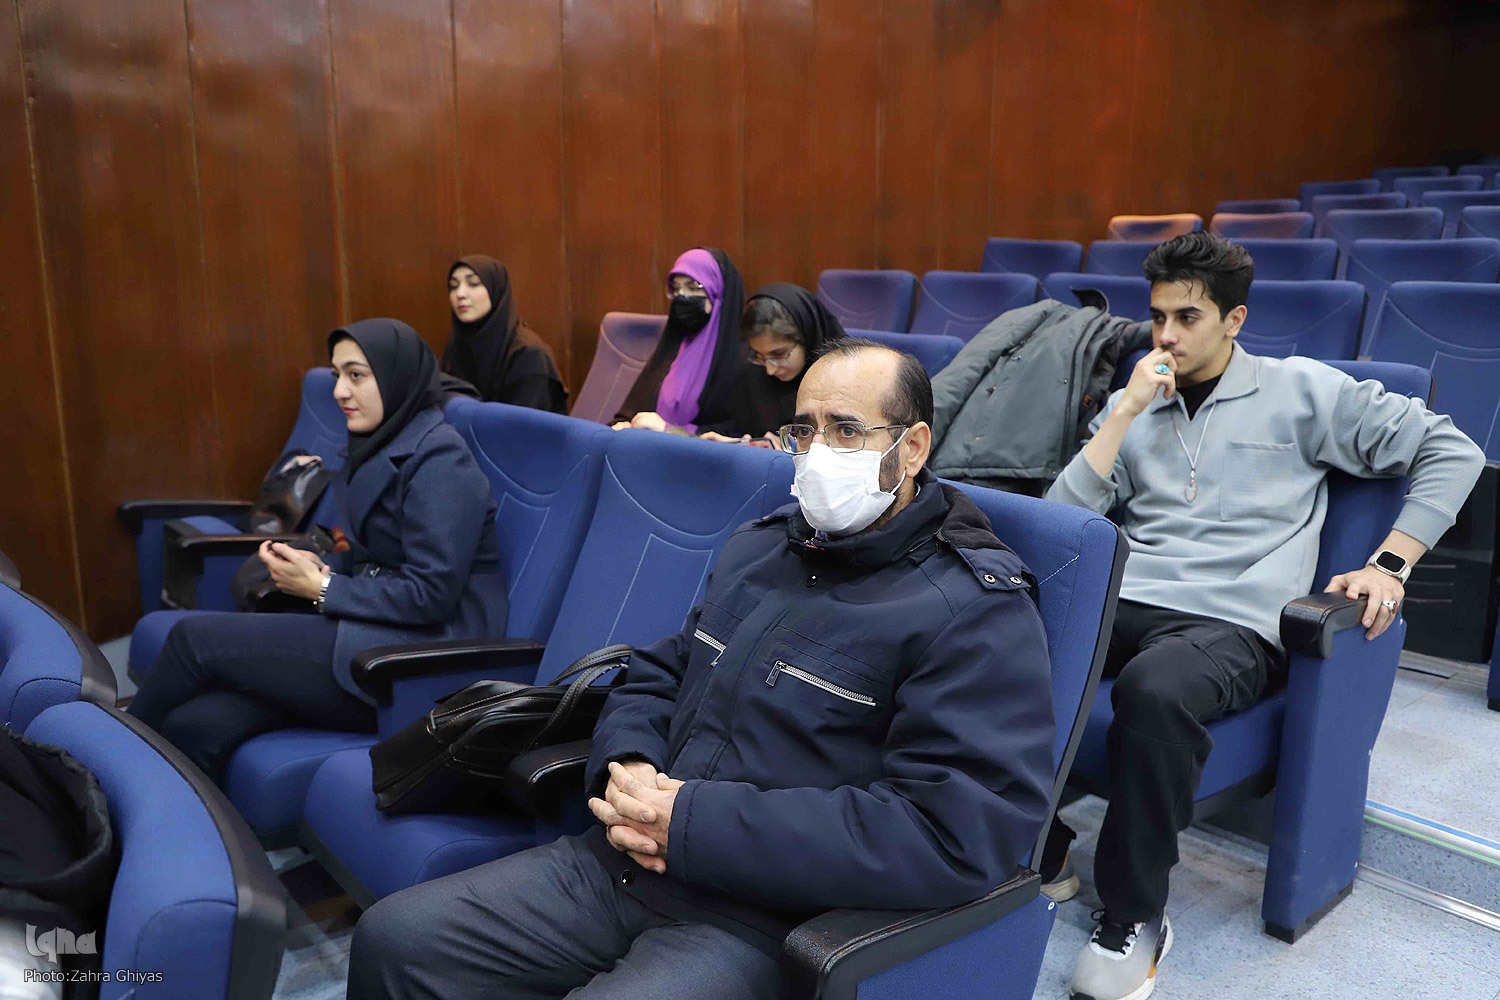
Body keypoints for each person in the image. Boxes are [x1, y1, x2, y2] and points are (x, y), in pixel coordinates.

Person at [348, 340, 1056, 1000]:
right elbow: (659, 671)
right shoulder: (764, 549)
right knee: (396, 938)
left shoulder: (972, 607)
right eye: (804, 431)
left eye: (845, 431)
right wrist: (628, 762)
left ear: (913, 447)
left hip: (761, 915)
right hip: (621, 861)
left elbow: (950, 833)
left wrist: (692, 822)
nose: (817, 454)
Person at [1042, 232, 1484, 1000]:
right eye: (1157, 317)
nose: (1167, 336)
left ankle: (1134, 914)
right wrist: (1121, 415)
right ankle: (1038, 844)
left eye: (1188, 318)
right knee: (996, 635)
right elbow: (1063, 523)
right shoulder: (1136, 400)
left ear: (1234, 319)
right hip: (1127, 596)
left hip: (1231, 621)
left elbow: (1453, 450)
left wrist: (1390, 562)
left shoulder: (1303, 390)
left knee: (1156, 687)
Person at [128, 319, 507, 781]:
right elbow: (374, 555)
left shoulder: (442, 460)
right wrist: (320, 565)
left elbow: (431, 594)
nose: (340, 391)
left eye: (356, 375)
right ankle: (162, 814)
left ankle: (99, 773)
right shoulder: (380, 442)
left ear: (396, 377)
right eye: (337, 375)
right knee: (198, 725)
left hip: (418, 664)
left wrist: (324, 588)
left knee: (193, 641)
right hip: (374, 631)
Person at [613, 247, 748, 435]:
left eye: (694, 287)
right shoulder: (671, 347)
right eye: (676, 288)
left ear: (719, 292)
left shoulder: (745, 361)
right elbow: (634, 410)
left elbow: (740, 433)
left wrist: (671, 431)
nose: (683, 296)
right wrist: (626, 424)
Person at [698, 282, 847, 445]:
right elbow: (737, 426)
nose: (770, 369)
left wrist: (791, 448)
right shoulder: (753, 374)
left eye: (779, 354)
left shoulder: (844, 378)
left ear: (807, 338)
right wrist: (737, 442)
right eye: (759, 356)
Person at [444, 255, 568, 413]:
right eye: (453, 286)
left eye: (473, 283)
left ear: (496, 290)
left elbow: (524, 423)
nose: (460, 293)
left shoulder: (529, 355)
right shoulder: (456, 345)